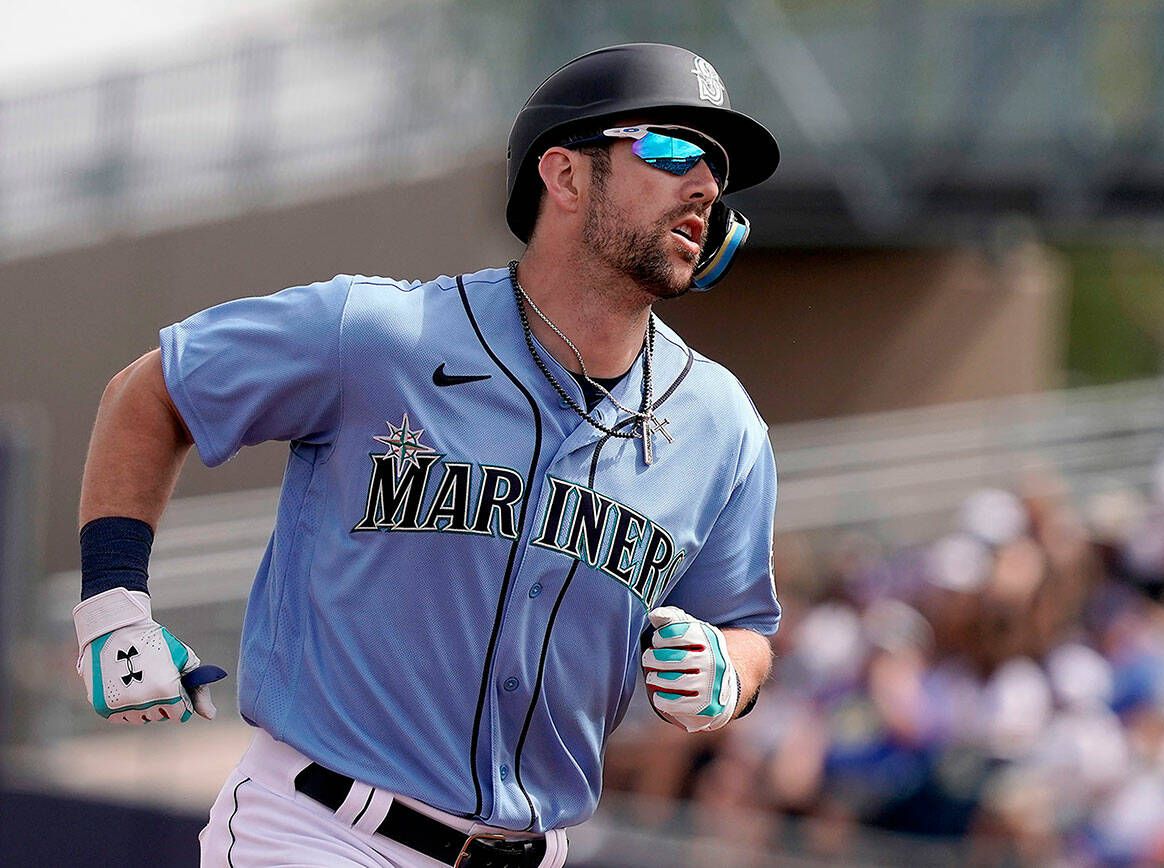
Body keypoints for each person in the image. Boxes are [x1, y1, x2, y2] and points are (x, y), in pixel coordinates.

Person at [73, 42, 781, 867]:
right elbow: (152, 392)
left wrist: (728, 672)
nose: (705, 186)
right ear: (565, 175)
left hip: (537, 849)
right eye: (670, 148)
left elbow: (747, 626)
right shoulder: (378, 333)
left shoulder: (724, 426)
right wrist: (112, 607)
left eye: (718, 170)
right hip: (318, 830)